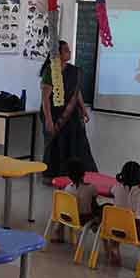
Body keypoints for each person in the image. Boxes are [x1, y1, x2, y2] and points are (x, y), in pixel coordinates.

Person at [40, 40, 98, 182]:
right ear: (58, 54)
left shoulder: (74, 71)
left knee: (76, 143)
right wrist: (48, 119)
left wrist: (83, 109)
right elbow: (45, 98)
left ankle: (76, 175)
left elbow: (76, 93)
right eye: (66, 50)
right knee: (57, 144)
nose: (70, 52)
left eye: (69, 50)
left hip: (72, 114)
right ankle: (54, 175)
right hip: (54, 114)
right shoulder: (50, 71)